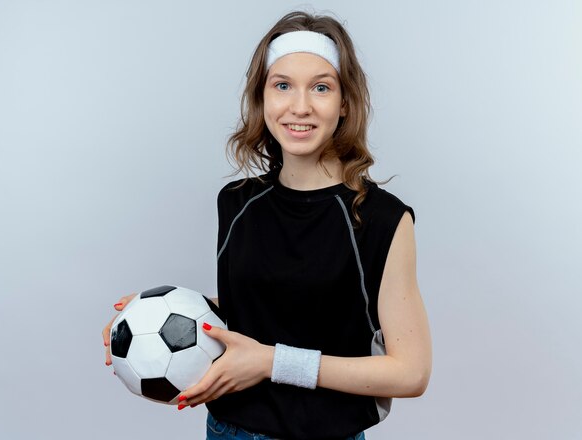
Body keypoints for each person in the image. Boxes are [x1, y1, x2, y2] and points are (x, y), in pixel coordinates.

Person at [102, 10, 431, 440]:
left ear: (344, 102)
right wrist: (155, 317)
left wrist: (272, 362)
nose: (300, 106)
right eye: (282, 86)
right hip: (228, 430)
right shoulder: (236, 202)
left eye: (321, 87)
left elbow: (411, 373)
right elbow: (277, 307)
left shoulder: (383, 219)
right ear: (261, 98)